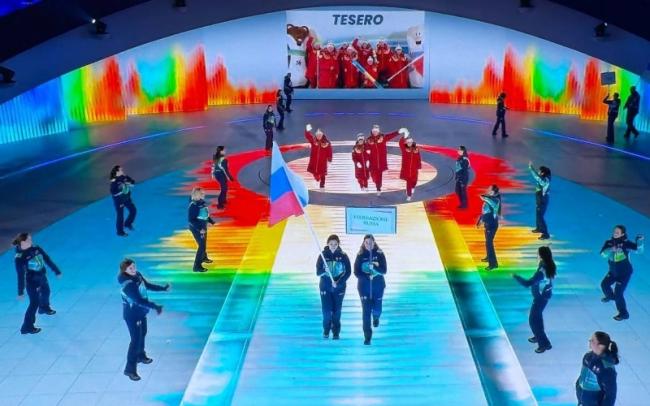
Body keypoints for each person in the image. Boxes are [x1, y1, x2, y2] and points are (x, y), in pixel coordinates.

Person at [118, 258, 169, 381]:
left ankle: (140, 355)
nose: (134, 269)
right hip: (132, 315)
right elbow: (138, 300)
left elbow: (147, 285)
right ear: (125, 270)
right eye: (130, 268)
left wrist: (162, 288)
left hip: (140, 312)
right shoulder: (128, 285)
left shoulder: (137, 275)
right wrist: (155, 306)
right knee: (135, 340)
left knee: (143, 333)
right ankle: (129, 370)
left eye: (134, 266)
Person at [13, 233, 62, 335]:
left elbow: (47, 259)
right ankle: (27, 327)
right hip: (32, 282)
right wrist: (20, 291)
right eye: (29, 240)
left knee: (46, 292)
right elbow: (20, 275)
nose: (31, 241)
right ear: (23, 242)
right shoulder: (20, 257)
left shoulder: (36, 248)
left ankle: (44, 307)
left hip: (41, 276)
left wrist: (56, 270)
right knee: (34, 303)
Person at [513, 246, 556, 353]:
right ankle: (541, 339)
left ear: (541, 255)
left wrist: (516, 277)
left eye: (538, 253)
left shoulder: (542, 271)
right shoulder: (549, 264)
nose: (536, 255)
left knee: (533, 320)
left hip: (540, 298)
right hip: (545, 295)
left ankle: (543, 345)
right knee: (537, 319)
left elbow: (527, 283)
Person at [599, 225, 644, 320]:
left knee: (618, 293)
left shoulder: (626, 243)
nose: (615, 234)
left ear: (622, 234)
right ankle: (610, 297)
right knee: (604, 285)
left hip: (624, 273)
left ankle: (624, 314)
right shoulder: (609, 242)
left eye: (617, 232)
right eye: (614, 232)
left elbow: (639, 251)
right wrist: (611, 249)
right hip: (613, 271)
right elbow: (603, 254)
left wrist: (639, 242)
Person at [316, 234, 352, 339]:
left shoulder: (343, 256)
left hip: (339, 288)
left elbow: (348, 272)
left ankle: (336, 331)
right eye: (331, 244)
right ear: (328, 244)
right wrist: (324, 270)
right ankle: (326, 329)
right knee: (326, 311)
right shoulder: (322, 255)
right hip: (325, 287)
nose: (333, 246)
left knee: (337, 311)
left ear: (338, 244)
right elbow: (318, 272)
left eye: (335, 244)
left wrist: (339, 283)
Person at [354, 234, 387, 345]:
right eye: (366, 242)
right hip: (364, 287)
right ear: (363, 243)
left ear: (374, 242)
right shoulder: (360, 255)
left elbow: (384, 271)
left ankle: (376, 317)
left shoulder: (379, 254)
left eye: (371, 242)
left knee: (377, 308)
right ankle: (367, 336)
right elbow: (356, 272)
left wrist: (375, 267)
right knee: (366, 311)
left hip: (378, 286)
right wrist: (366, 277)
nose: (368, 244)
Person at [576, 331, 619, 405]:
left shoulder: (606, 368)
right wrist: (578, 386)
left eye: (592, 340)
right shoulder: (587, 357)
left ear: (601, 346)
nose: (589, 341)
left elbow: (610, 395)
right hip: (583, 400)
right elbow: (583, 375)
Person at [366, 124, 400, 195]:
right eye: (374, 131)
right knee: (373, 176)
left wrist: (398, 132)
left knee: (379, 176)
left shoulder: (383, 137)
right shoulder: (369, 140)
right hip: (373, 162)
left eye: (376, 131)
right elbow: (365, 148)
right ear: (372, 131)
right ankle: (376, 182)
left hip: (381, 161)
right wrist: (367, 151)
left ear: (378, 132)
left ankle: (378, 188)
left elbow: (391, 135)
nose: (375, 132)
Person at [188, 187, 215, 272]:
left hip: (203, 227)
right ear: (196, 195)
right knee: (201, 246)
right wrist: (200, 229)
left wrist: (211, 221)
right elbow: (191, 220)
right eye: (202, 193)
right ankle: (197, 266)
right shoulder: (193, 206)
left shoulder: (201, 203)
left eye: (203, 193)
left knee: (203, 244)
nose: (204, 194)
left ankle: (203, 257)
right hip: (198, 229)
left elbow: (204, 214)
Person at [477, 185, 502, 271]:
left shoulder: (495, 200)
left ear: (493, 191)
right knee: (487, 242)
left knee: (489, 243)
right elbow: (484, 211)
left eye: (489, 189)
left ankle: (493, 264)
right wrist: (480, 221)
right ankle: (488, 257)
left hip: (491, 225)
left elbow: (491, 203)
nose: (488, 190)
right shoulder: (490, 198)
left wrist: (484, 198)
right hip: (488, 224)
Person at [110, 165, 137, 237]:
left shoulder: (124, 177)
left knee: (133, 210)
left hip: (127, 198)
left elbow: (132, 182)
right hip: (119, 200)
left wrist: (130, 184)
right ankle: (120, 232)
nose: (122, 171)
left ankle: (127, 223)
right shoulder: (114, 181)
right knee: (120, 216)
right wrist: (122, 190)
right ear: (117, 172)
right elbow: (113, 193)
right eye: (121, 170)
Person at [304, 124, 333, 188]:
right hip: (314, 161)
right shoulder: (313, 141)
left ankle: (322, 184)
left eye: (320, 135)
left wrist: (329, 158)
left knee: (322, 174)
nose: (319, 136)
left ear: (322, 135)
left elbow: (329, 151)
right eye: (317, 135)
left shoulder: (326, 143)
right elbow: (308, 136)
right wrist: (307, 130)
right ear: (316, 136)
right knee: (315, 173)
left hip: (322, 161)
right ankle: (317, 177)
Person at [528, 162, 551, 240]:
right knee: (538, 214)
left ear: (542, 173)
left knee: (540, 216)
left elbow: (536, 177)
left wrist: (531, 168)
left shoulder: (544, 180)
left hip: (542, 200)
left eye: (539, 171)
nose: (538, 172)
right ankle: (539, 228)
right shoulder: (544, 178)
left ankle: (545, 234)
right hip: (540, 198)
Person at [398, 128, 421, 201]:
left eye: (410, 142)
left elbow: (418, 157)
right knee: (408, 182)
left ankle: (413, 187)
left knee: (414, 181)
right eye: (408, 142)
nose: (409, 143)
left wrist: (418, 166)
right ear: (406, 143)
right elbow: (400, 143)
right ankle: (409, 195)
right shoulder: (404, 149)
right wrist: (404, 136)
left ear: (412, 142)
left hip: (414, 169)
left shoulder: (416, 149)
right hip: (407, 169)